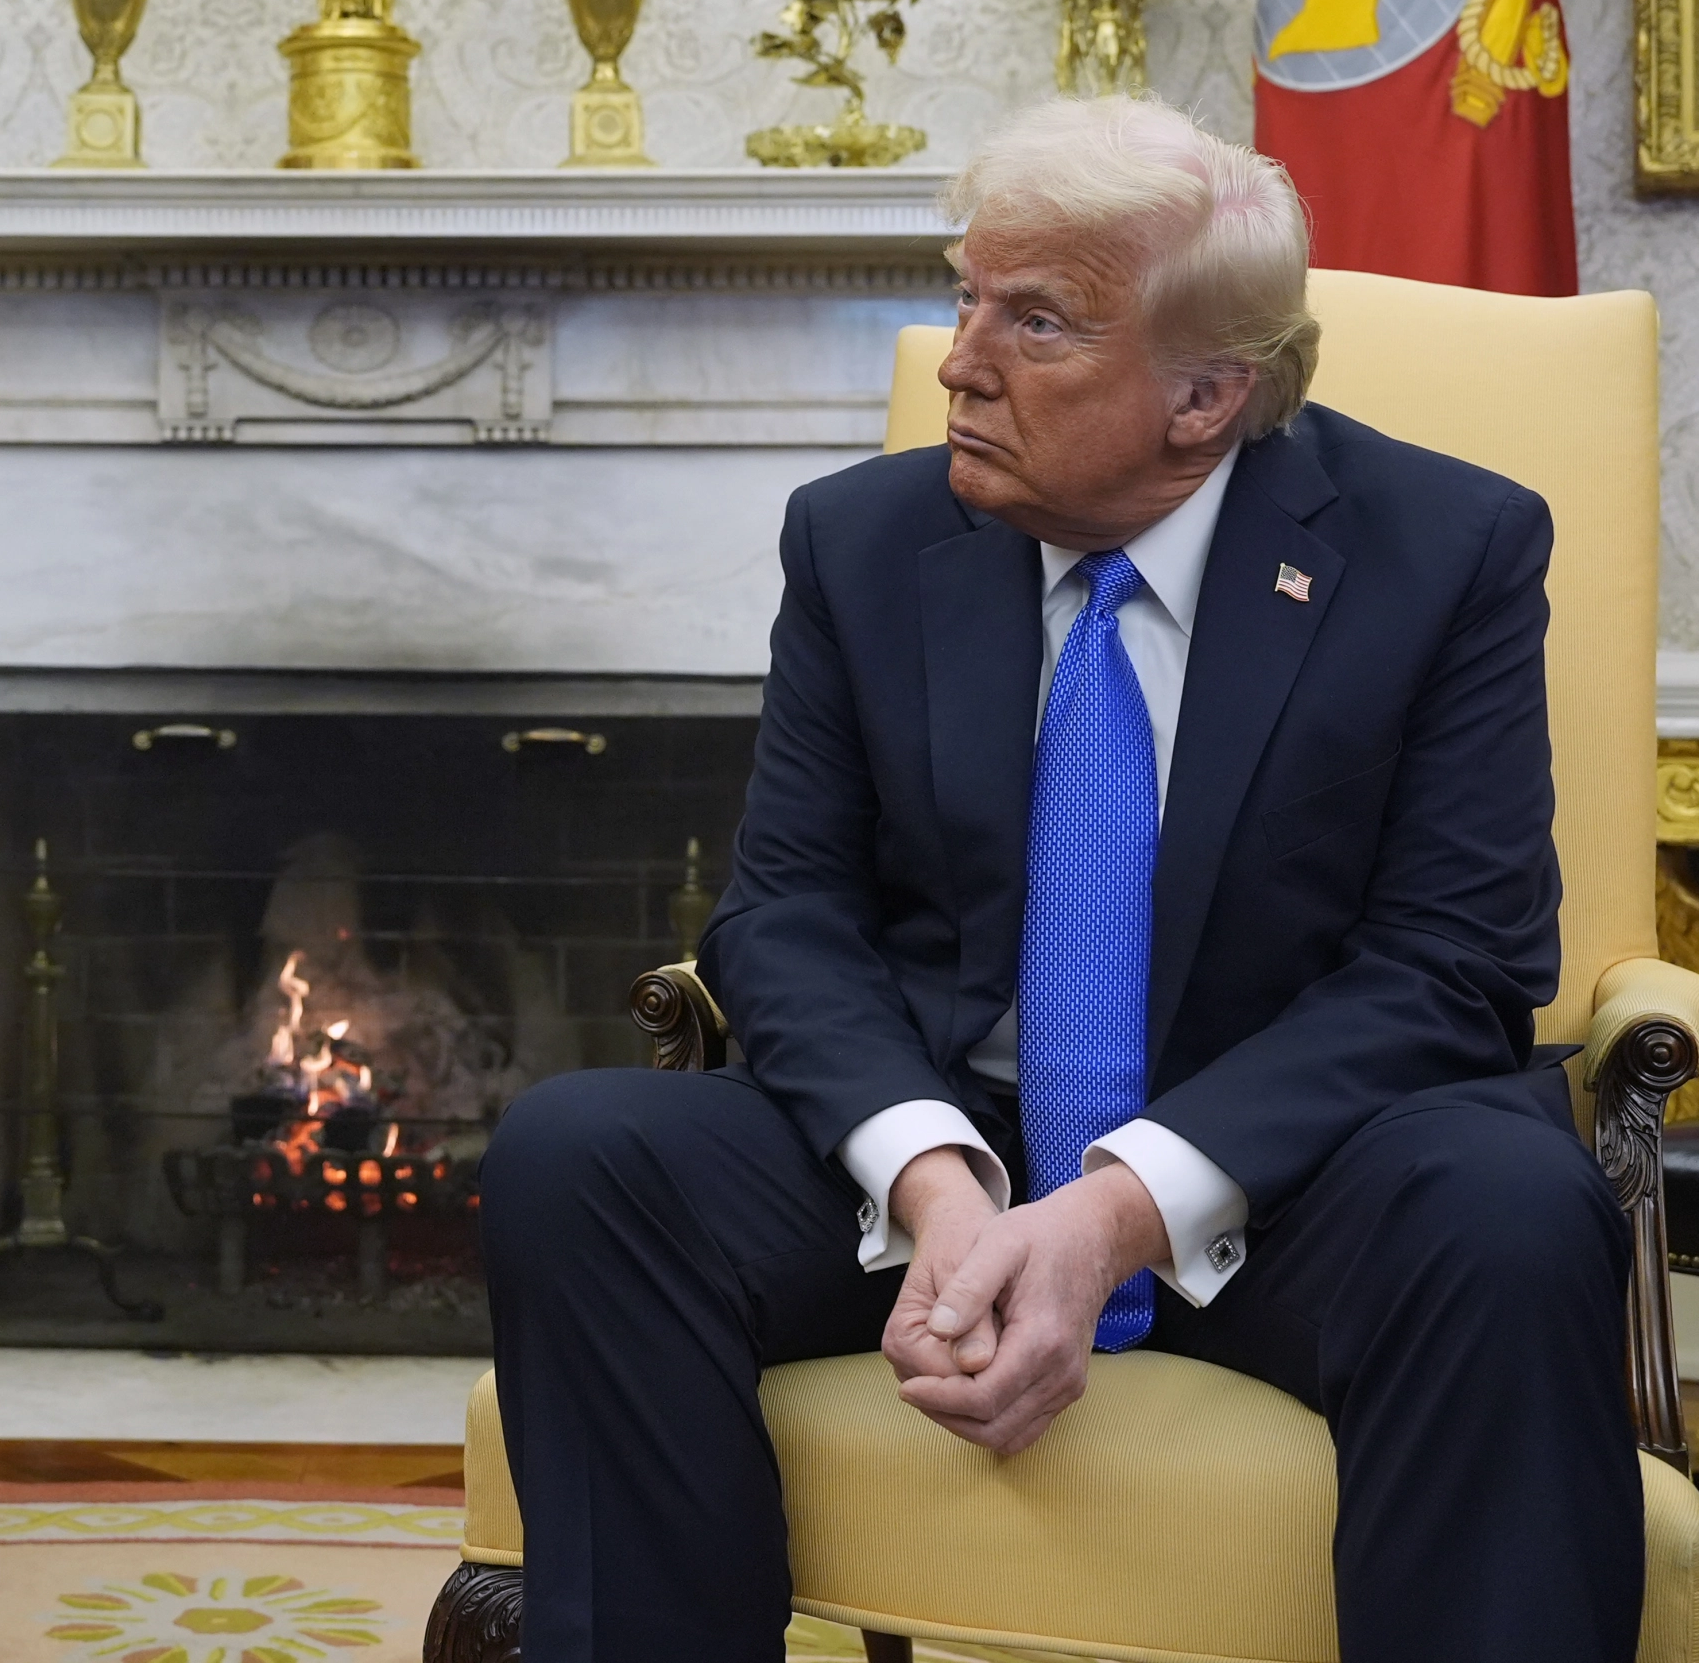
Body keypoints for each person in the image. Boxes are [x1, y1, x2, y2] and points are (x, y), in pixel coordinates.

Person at [481, 96, 1639, 1662]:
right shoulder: (859, 542)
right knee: (583, 1153)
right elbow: (788, 914)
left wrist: (1115, 1211)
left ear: (1206, 395)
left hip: (1291, 1180)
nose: (959, 359)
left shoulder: (1444, 550)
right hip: (962, 1144)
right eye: (966, 295)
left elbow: (1453, 961)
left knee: (1509, 1207)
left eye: (1035, 320)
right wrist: (936, 1185)